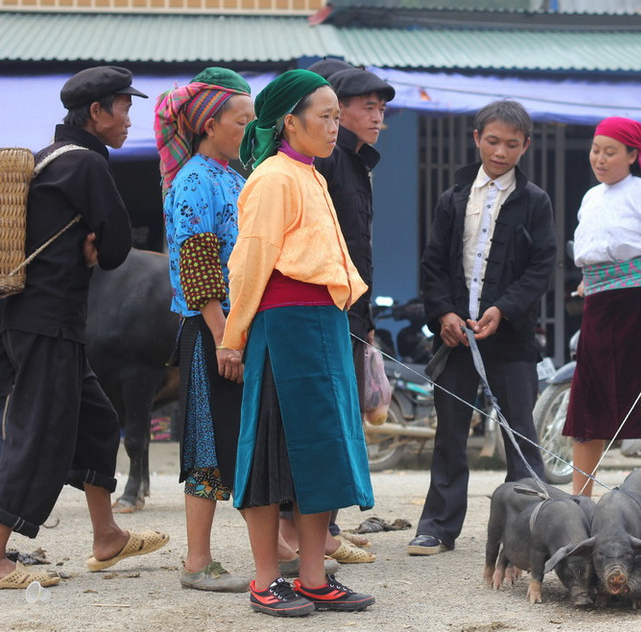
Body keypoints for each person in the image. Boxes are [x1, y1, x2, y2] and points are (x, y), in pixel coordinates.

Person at [0, 66, 169, 588]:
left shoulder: (48, 158)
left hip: (38, 321)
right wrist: (98, 247)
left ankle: (107, 535)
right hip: (49, 323)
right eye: (125, 108)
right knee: (39, 435)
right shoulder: (87, 164)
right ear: (96, 112)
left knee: (96, 421)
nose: (129, 119)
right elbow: (117, 248)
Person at [221, 69, 375, 617]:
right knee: (272, 451)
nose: (336, 126)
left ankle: (313, 576)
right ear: (291, 122)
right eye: (326, 116)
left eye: (337, 117)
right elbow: (249, 263)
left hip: (324, 325)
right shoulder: (271, 178)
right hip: (283, 327)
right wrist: (233, 336)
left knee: (324, 450)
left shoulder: (311, 174)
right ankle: (266, 578)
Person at [407, 99, 556, 555]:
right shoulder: (453, 198)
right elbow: (433, 263)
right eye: (492, 141)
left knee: (519, 434)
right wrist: (444, 314)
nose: (500, 152)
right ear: (476, 139)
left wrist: (503, 309)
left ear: (525, 146)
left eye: (511, 144)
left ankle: (528, 532)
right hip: (456, 338)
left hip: (511, 337)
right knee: (450, 433)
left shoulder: (535, 201)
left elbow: (542, 267)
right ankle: (437, 527)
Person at [154, 67, 254, 592]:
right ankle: (196, 560)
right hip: (212, 331)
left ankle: (280, 547)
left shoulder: (234, 177)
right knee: (207, 443)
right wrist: (224, 340)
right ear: (210, 125)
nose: (249, 130)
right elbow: (199, 269)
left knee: (244, 436)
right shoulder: (194, 180)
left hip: (239, 328)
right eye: (242, 121)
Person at [563, 117, 641, 497]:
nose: (599, 159)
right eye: (595, 150)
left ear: (633, 155)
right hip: (598, 310)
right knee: (589, 405)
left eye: (611, 152)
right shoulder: (590, 198)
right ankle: (579, 503)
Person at [304, 62, 398, 564]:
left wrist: (367, 321)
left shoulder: (356, 161)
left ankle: (330, 525)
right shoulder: (327, 160)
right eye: (368, 106)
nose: (378, 116)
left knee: (344, 420)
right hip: (325, 310)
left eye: (382, 108)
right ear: (337, 109)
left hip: (353, 312)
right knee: (326, 421)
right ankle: (315, 534)